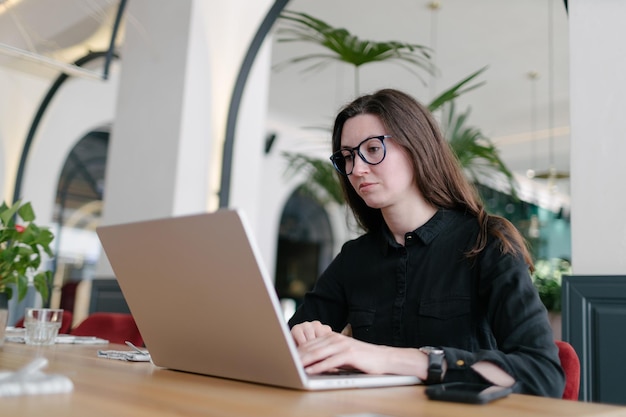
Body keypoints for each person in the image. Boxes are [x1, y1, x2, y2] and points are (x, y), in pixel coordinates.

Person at [288, 88, 565, 397]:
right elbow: (285, 348)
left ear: (416, 146)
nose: (358, 169)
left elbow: (542, 374)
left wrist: (393, 358)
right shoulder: (355, 258)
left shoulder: (488, 242)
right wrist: (303, 336)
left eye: (373, 149)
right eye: (348, 156)